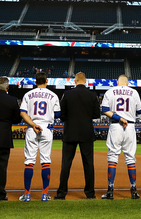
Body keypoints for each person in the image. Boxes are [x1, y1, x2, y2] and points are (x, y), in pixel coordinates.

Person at [56, 72, 100, 200]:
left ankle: (61, 193)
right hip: (86, 131)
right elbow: (96, 114)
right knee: (88, 163)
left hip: (70, 131)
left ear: (74, 81)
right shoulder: (92, 95)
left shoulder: (68, 94)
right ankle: (90, 193)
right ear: (85, 81)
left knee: (66, 163)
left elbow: (62, 114)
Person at [100, 75, 141, 200]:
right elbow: (140, 110)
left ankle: (110, 190)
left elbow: (104, 110)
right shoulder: (134, 92)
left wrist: (119, 117)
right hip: (130, 126)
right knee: (130, 158)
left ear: (117, 82)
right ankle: (134, 191)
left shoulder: (110, 91)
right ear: (128, 83)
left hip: (116, 126)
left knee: (113, 157)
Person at [18, 72, 60, 202]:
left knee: (29, 161)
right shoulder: (53, 95)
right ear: (47, 81)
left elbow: (23, 113)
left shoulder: (28, 95)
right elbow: (57, 114)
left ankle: (27, 194)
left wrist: (33, 123)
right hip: (46, 128)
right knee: (45, 161)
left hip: (32, 128)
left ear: (35, 82)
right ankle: (45, 194)